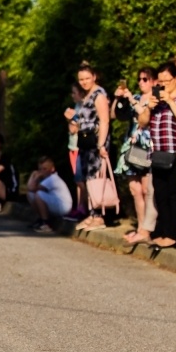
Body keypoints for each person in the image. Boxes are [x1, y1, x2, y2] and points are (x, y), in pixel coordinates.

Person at [137, 59, 176, 248]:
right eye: (160, 82)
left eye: (167, 81)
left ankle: (175, 235)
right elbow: (142, 122)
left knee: (174, 194)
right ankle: (164, 232)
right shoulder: (155, 99)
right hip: (158, 154)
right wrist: (149, 106)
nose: (163, 85)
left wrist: (171, 101)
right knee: (160, 194)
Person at [113, 68, 157, 245]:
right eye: (139, 79)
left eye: (145, 79)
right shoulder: (136, 98)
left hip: (148, 146)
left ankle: (148, 229)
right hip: (132, 146)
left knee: (147, 191)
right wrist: (118, 99)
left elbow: (144, 117)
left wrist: (131, 99)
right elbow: (116, 116)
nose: (141, 82)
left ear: (154, 81)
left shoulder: (155, 99)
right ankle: (141, 228)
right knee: (135, 190)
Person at [72, 62, 110, 231]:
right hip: (85, 142)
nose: (84, 82)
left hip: (96, 142)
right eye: (81, 79)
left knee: (96, 177)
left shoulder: (99, 95)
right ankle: (92, 213)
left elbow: (104, 120)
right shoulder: (87, 95)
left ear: (94, 77)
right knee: (88, 177)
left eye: (87, 78)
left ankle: (99, 215)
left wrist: (101, 144)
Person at [27, 157, 73, 233]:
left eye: (45, 169)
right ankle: (40, 219)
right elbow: (29, 190)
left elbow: (31, 187)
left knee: (38, 194)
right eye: (40, 169)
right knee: (31, 194)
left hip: (63, 207)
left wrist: (35, 177)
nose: (42, 172)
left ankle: (46, 223)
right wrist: (33, 175)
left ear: (52, 169)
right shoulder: (46, 179)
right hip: (57, 203)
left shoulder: (52, 178)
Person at [63, 84, 87, 221]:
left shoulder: (84, 107)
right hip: (72, 146)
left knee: (80, 180)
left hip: (80, 147)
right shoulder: (77, 107)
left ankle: (85, 208)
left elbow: (80, 127)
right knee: (77, 180)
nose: (72, 95)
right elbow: (71, 129)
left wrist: (73, 118)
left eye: (74, 92)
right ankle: (80, 207)